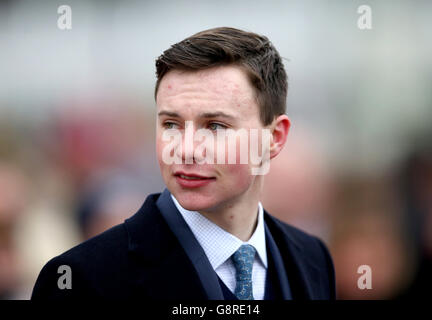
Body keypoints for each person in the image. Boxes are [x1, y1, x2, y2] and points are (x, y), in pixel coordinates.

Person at [31, 27, 335, 300]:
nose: (186, 150)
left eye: (215, 126)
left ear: (275, 138)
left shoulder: (313, 259)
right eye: (171, 124)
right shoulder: (82, 278)